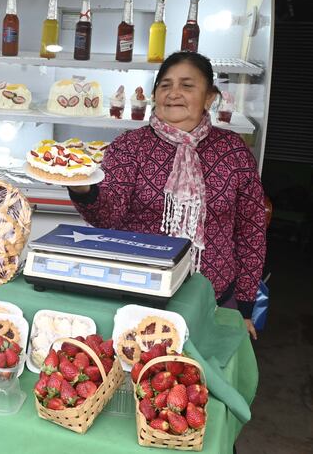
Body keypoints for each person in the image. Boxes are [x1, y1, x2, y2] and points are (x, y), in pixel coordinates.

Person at [69, 51, 265, 339]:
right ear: (154, 94)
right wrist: (82, 187)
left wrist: (245, 306)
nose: (174, 94)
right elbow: (108, 216)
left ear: (210, 97)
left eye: (187, 85)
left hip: (214, 299)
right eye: (165, 85)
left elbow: (252, 230)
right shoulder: (129, 146)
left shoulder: (233, 151)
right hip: (137, 292)